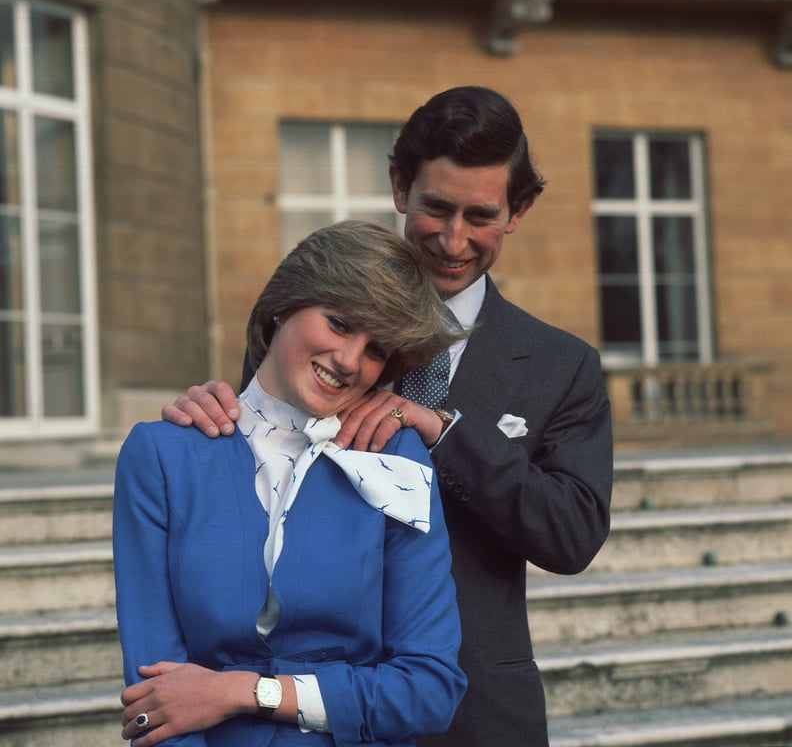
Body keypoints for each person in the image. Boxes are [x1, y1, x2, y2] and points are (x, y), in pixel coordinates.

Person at [163, 86, 614, 747]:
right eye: (436, 207)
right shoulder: (315, 325)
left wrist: (442, 430)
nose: (453, 240)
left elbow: (572, 535)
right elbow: (253, 479)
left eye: (480, 215)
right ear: (401, 186)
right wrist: (209, 421)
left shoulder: (561, 365)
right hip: (314, 711)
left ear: (518, 211)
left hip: (479, 714)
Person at [113, 221, 467, 747]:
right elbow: (154, 698)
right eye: (340, 323)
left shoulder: (396, 458)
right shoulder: (162, 456)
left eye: (376, 350)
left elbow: (429, 690)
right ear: (283, 305)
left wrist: (246, 692)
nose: (350, 362)